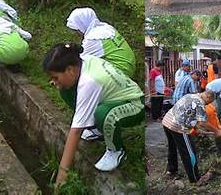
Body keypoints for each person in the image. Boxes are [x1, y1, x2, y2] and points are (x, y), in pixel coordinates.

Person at [43, 43, 145, 186]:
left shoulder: (89, 81)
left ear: (70, 70)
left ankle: (116, 150)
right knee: (65, 88)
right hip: (110, 100)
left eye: (55, 77)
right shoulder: (79, 61)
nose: (52, 82)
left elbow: (76, 132)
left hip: (134, 104)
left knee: (103, 114)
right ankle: (96, 128)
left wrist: (61, 176)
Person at [162, 91, 221, 183]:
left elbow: (188, 114)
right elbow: (203, 122)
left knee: (172, 147)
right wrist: (216, 131)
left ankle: (171, 170)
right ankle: (195, 179)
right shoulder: (200, 102)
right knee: (189, 153)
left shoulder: (190, 95)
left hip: (167, 121)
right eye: (208, 102)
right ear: (208, 97)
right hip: (178, 127)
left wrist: (196, 128)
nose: (207, 104)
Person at [66, 7, 136, 78]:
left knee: (83, 71)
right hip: (128, 66)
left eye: (77, 29)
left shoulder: (93, 38)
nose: (77, 33)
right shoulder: (105, 28)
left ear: (82, 24)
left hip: (120, 72)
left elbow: (79, 61)